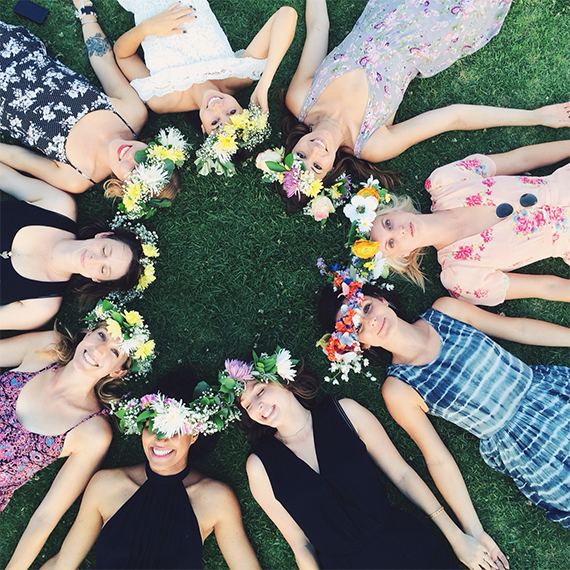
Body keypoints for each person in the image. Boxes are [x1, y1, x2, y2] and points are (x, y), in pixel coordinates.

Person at [318, 271, 570, 535]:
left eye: (367, 307)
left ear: (382, 299)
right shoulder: (398, 389)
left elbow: (516, 329)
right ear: (359, 344)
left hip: (547, 393)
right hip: (526, 448)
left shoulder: (445, 311)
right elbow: (438, 458)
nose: (370, 322)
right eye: (357, 327)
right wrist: (474, 531)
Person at [230, 348, 504, 570]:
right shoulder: (260, 466)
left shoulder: (346, 413)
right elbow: (300, 543)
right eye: (247, 405)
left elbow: (403, 475)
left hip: (407, 547)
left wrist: (456, 537)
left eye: (260, 391)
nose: (257, 406)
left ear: (283, 379)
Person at [281, 0, 570, 191]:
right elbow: (453, 117)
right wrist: (538, 117)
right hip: (435, 30)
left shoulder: (301, 99)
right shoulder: (372, 145)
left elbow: (319, 26)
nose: (315, 151)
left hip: (393, 7)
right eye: (317, 166)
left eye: (301, 157)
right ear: (332, 171)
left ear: (293, 147)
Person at [41, 372, 260, 570]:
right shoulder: (105, 486)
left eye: (173, 429)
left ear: (194, 435)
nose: (160, 439)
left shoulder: (214, 498)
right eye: (152, 425)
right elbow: (63, 564)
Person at [1, 302, 156, 570]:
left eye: (115, 351)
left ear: (118, 371)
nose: (98, 349)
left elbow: (46, 515)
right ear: (87, 333)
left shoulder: (92, 431)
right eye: (101, 335)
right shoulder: (46, 349)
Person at [366, 139, 570, 305]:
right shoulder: (461, 277)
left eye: (388, 224)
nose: (399, 231)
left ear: (395, 211)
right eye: (391, 243)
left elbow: (521, 158)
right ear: (403, 255)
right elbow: (545, 287)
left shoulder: (446, 181)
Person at [0, 3, 174, 195]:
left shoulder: (77, 178)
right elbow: (102, 61)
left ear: (125, 188)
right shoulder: (132, 114)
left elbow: (20, 158)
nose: (132, 156)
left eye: (134, 171)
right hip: (16, 53)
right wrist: (86, 12)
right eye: (145, 158)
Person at [0, 153, 145, 331]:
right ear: (102, 235)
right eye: (105, 251)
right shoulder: (59, 206)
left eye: (103, 269)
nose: (94, 259)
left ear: (97, 279)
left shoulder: (41, 307)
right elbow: (7, 178)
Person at [113, 0, 297, 127]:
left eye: (215, 123)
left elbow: (123, 56)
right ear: (242, 109)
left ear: (203, 128)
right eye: (232, 112)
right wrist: (264, 84)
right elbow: (287, 14)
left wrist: (146, 28)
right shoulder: (238, 75)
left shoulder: (162, 99)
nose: (218, 107)